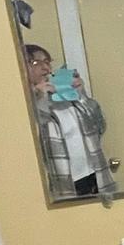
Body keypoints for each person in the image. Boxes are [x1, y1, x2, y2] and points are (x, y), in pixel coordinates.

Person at [24, 43, 112, 200]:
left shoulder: (64, 96)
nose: (45, 68)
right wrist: (40, 98)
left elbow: (100, 126)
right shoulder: (23, 103)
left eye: (47, 61)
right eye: (36, 62)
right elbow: (33, 138)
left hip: (94, 176)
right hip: (63, 183)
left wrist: (81, 96)